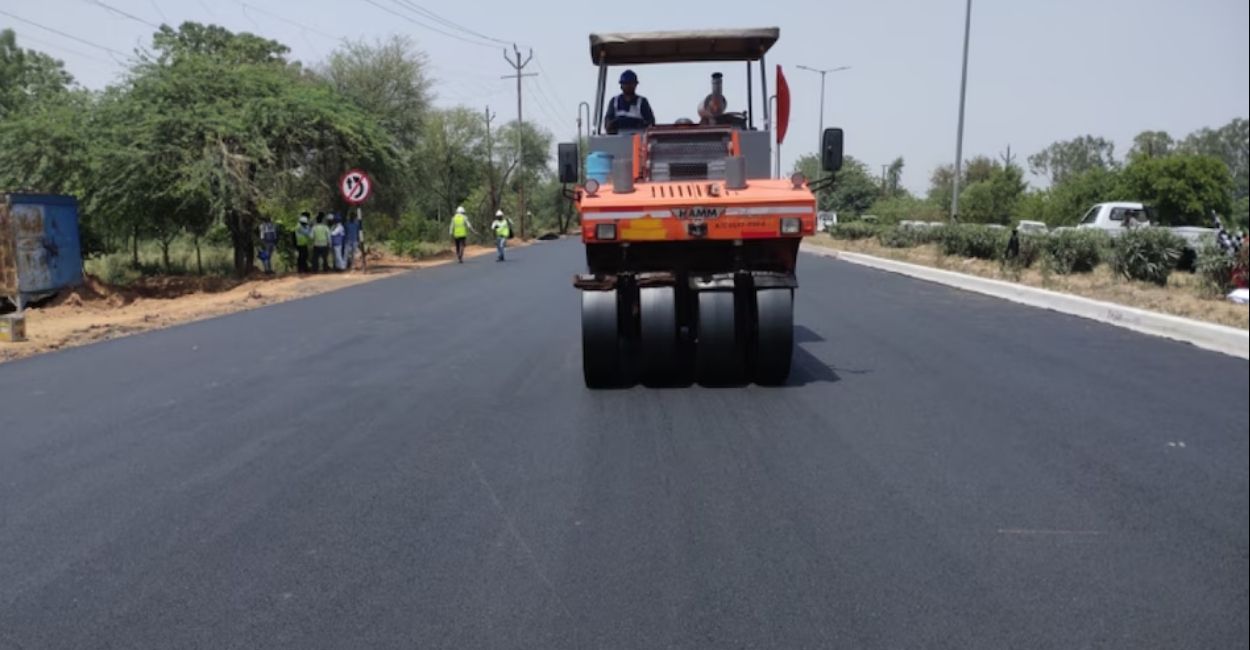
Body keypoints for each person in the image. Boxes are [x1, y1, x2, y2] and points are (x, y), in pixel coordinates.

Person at [604, 69, 655, 134]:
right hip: (617, 139)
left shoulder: (642, 102)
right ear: (621, 85)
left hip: (638, 138)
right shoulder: (614, 101)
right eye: (625, 83)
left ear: (635, 85)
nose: (628, 86)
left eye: (631, 83)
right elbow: (608, 123)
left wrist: (638, 124)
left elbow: (650, 123)